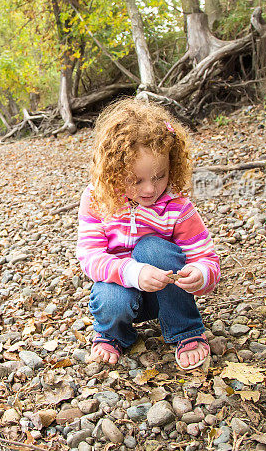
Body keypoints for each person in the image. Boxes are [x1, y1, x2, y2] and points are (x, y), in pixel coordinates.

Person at [75, 99, 220, 370]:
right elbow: (90, 257)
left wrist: (200, 274)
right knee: (110, 297)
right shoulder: (98, 199)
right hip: (119, 289)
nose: (150, 190)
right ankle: (112, 334)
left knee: (153, 248)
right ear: (114, 172)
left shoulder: (178, 206)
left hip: (166, 295)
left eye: (159, 177)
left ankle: (186, 329)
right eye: (136, 180)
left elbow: (207, 258)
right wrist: (133, 272)